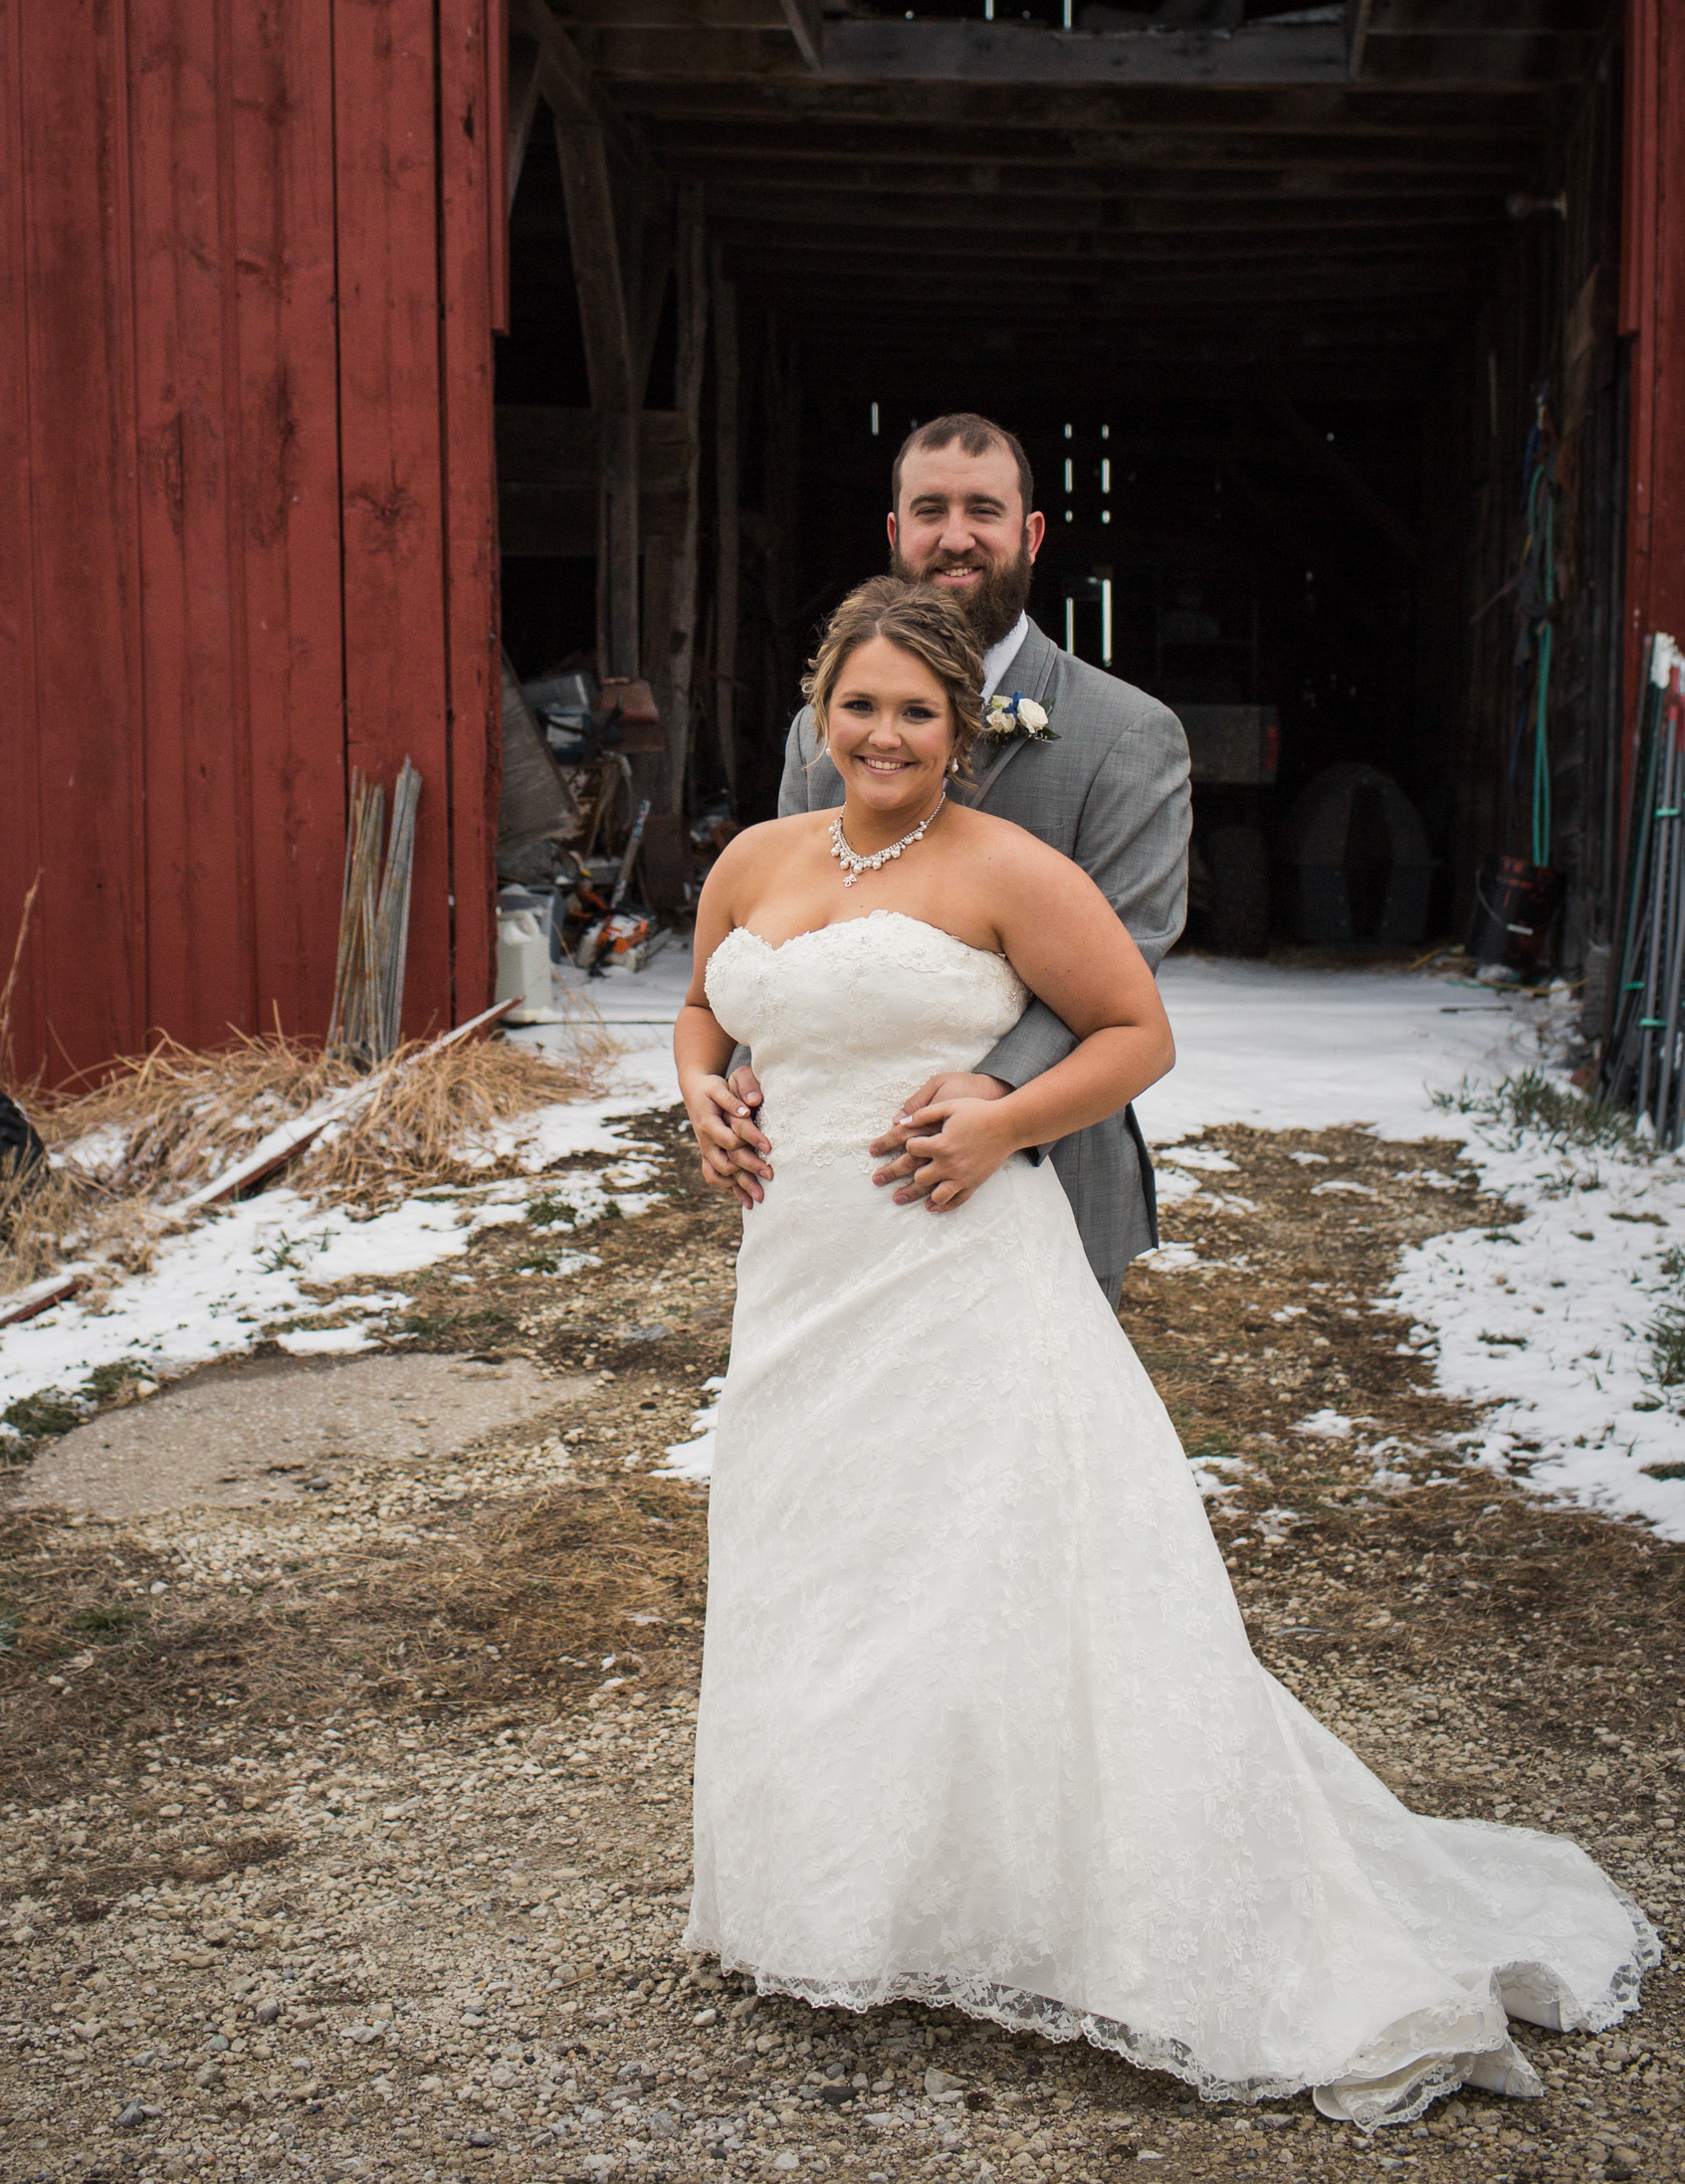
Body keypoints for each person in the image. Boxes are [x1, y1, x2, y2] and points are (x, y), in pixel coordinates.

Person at [674, 576, 1652, 2127]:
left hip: (957, 1268)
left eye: (915, 711)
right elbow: (710, 1002)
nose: (881, 733)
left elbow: (1136, 1031)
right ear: (819, 707)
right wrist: (703, 1092)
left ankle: (1041, 1897)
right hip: (799, 1271)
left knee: (980, 1567)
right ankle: (848, 1893)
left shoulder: (1010, 869)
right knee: (823, 1555)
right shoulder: (756, 856)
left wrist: (1000, 1120)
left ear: (961, 727)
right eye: (857, 705)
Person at [752, 411, 1188, 1308]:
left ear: (1028, 534)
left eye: (983, 510)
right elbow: (780, 924)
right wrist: (736, 1071)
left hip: (1043, 1169)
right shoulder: (818, 728)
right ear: (895, 534)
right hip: (840, 1186)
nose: (956, 537)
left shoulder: (1128, 733)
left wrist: (994, 1098)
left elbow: (1127, 955)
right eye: (931, 509)